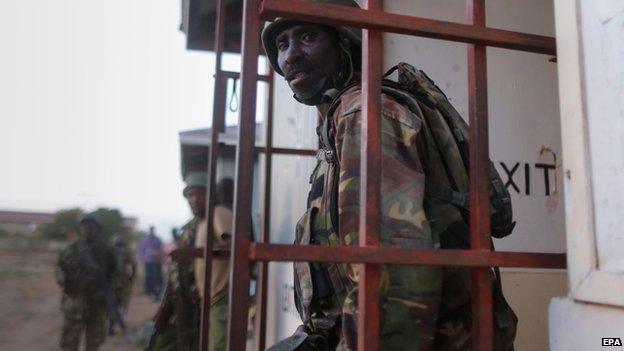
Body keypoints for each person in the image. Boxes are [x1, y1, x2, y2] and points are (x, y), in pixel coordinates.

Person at [262, 1, 517, 350]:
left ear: (345, 43)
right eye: (281, 44)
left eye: (307, 36)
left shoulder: (364, 114)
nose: (290, 55)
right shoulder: (340, 121)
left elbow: (394, 272)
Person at [148, 173, 233, 351]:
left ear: (211, 194)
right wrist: (166, 307)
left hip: (207, 300)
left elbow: (231, 247)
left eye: (199, 193)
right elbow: (177, 271)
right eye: (190, 195)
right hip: (185, 300)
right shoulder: (191, 228)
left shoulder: (217, 215)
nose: (194, 199)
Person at [55, 214, 118, 351]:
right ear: (80, 229)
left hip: (97, 304)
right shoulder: (70, 249)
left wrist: (106, 290)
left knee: (94, 343)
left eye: (91, 226)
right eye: (84, 226)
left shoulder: (106, 251)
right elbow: (59, 267)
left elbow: (115, 274)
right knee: (69, 342)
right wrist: (61, 279)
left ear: (98, 229)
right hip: (74, 302)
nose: (88, 229)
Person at [109, 234, 137, 335]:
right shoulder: (126, 252)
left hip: (111, 281)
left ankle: (110, 326)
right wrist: (131, 278)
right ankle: (114, 323)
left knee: (111, 302)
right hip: (123, 281)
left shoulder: (109, 251)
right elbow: (133, 266)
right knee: (119, 302)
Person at [140, 226, 164, 300]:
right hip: (148, 261)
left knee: (156, 278)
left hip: (156, 262)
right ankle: (149, 292)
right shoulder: (145, 240)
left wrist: (160, 257)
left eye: (152, 230)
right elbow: (142, 250)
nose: (152, 232)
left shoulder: (157, 239)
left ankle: (156, 294)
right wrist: (142, 259)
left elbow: (161, 249)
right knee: (149, 278)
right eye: (151, 230)